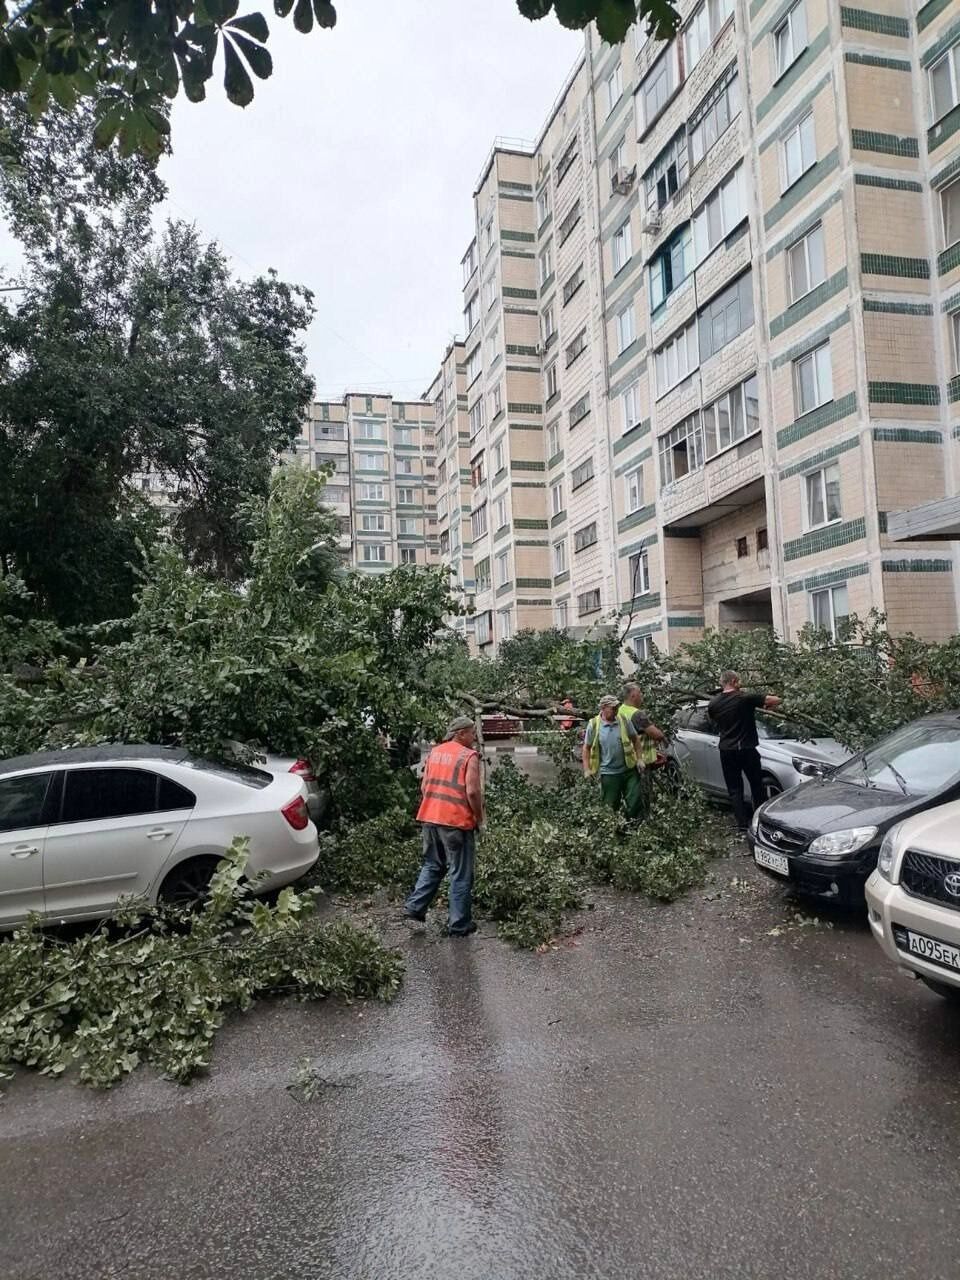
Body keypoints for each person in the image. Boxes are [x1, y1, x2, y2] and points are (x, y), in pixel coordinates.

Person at [405, 715, 484, 936]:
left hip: (430, 818)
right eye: (471, 732)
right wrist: (479, 818)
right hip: (455, 822)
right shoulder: (469, 756)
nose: (474, 736)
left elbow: (424, 787)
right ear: (460, 734)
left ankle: (414, 907)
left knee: (433, 864)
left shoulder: (435, 752)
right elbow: (473, 792)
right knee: (460, 872)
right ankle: (459, 924)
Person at [707, 671, 782, 833]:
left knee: (734, 789)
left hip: (726, 750)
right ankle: (760, 821)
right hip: (746, 748)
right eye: (739, 681)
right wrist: (775, 701)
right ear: (734, 681)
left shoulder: (714, 703)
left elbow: (714, 720)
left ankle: (741, 824)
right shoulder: (744, 698)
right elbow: (773, 700)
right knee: (757, 785)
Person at [582, 694, 642, 816]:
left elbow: (636, 739)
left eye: (617, 708)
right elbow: (586, 748)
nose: (616, 711)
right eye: (613, 708)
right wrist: (587, 769)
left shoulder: (623, 720)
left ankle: (632, 829)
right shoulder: (594, 724)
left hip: (629, 770)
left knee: (634, 802)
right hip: (609, 773)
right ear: (603, 708)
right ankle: (613, 831)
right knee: (610, 807)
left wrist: (640, 759)